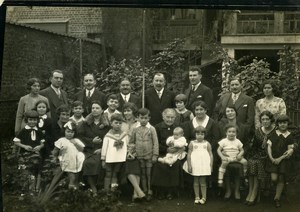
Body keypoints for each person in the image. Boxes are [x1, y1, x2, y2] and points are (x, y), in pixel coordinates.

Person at [77, 101, 110, 193]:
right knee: (88, 163)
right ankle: (93, 187)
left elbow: (109, 138)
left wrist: (102, 149)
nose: (94, 110)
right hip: (88, 150)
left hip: (101, 150)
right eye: (93, 108)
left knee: (100, 164)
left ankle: (99, 187)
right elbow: (80, 137)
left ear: (102, 110)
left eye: (97, 108)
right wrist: (92, 141)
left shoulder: (107, 125)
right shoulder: (85, 123)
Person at [265, 115, 296, 208]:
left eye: (285, 123)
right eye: (281, 123)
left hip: (283, 160)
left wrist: (280, 159)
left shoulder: (289, 136)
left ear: (287, 124)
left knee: (281, 177)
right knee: (274, 178)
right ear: (278, 124)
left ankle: (277, 198)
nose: (283, 124)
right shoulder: (273, 133)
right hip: (273, 159)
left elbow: (289, 150)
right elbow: (269, 147)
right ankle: (278, 188)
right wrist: (271, 158)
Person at [245, 111, 275, 206]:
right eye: (263, 119)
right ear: (260, 121)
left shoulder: (276, 131)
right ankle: (250, 190)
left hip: (270, 156)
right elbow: (254, 147)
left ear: (271, 120)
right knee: (251, 161)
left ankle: (254, 191)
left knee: (257, 163)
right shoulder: (258, 130)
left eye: (267, 119)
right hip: (258, 154)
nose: (265, 121)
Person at [152, 108, 182, 200]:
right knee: (160, 165)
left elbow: (181, 140)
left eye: (172, 117)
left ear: (175, 118)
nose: (170, 119)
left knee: (175, 164)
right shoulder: (157, 127)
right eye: (167, 117)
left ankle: (170, 191)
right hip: (161, 152)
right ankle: (161, 191)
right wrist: (166, 149)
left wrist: (176, 149)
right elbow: (155, 142)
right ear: (163, 117)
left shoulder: (177, 128)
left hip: (174, 153)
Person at [130, 108, 159, 201]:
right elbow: (131, 142)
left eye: (145, 118)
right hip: (139, 155)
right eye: (141, 118)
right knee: (142, 173)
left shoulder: (152, 129)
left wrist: (155, 154)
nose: (143, 120)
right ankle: (144, 190)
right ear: (137, 118)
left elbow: (155, 142)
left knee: (149, 173)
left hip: (149, 154)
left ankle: (150, 190)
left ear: (149, 118)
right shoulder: (135, 129)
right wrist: (132, 152)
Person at [13, 110, 45, 192]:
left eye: (34, 120)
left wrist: (40, 146)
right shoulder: (23, 131)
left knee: (36, 170)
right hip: (25, 154)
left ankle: (36, 189)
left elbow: (43, 143)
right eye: (30, 120)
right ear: (26, 120)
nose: (32, 122)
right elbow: (16, 141)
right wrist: (24, 146)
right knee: (26, 170)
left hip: (36, 154)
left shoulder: (39, 131)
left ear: (37, 120)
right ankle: (27, 190)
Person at [121, 102, 146, 201]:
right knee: (130, 163)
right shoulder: (121, 123)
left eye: (129, 111)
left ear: (133, 112)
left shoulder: (138, 123)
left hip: (137, 148)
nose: (127, 113)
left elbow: (141, 137)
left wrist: (134, 150)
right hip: (123, 149)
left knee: (136, 163)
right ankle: (138, 191)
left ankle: (136, 193)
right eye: (125, 111)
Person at [182, 126, 213, 205]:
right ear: (194, 134)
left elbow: (210, 154)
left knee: (203, 181)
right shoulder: (192, 143)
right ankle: (197, 196)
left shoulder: (207, 143)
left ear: (204, 135)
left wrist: (211, 165)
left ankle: (204, 197)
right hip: (195, 164)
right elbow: (189, 154)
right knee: (195, 181)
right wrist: (189, 165)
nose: (200, 135)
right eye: (198, 134)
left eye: (202, 134)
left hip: (204, 165)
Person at [217, 124, 248, 199]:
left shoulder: (237, 141)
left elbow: (242, 150)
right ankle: (220, 178)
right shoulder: (224, 141)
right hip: (227, 158)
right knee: (224, 163)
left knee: (245, 162)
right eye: (229, 131)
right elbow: (218, 150)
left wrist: (240, 155)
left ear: (236, 133)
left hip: (236, 157)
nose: (231, 133)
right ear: (226, 133)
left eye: (233, 132)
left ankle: (245, 176)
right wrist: (222, 156)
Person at [52, 121, 85, 189]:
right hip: (65, 160)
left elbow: (81, 149)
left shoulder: (76, 140)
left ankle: (74, 191)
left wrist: (75, 143)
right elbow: (55, 150)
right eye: (68, 132)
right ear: (64, 131)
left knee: (75, 177)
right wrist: (54, 157)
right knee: (71, 177)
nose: (70, 134)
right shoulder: (61, 140)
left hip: (74, 161)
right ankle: (70, 191)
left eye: (72, 132)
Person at [101, 114, 128, 191]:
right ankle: (106, 191)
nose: (118, 125)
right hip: (109, 158)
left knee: (115, 174)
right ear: (111, 123)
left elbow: (127, 145)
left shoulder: (124, 135)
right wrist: (103, 159)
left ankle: (113, 191)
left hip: (119, 158)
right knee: (108, 173)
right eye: (116, 123)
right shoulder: (108, 135)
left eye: (120, 123)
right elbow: (104, 148)